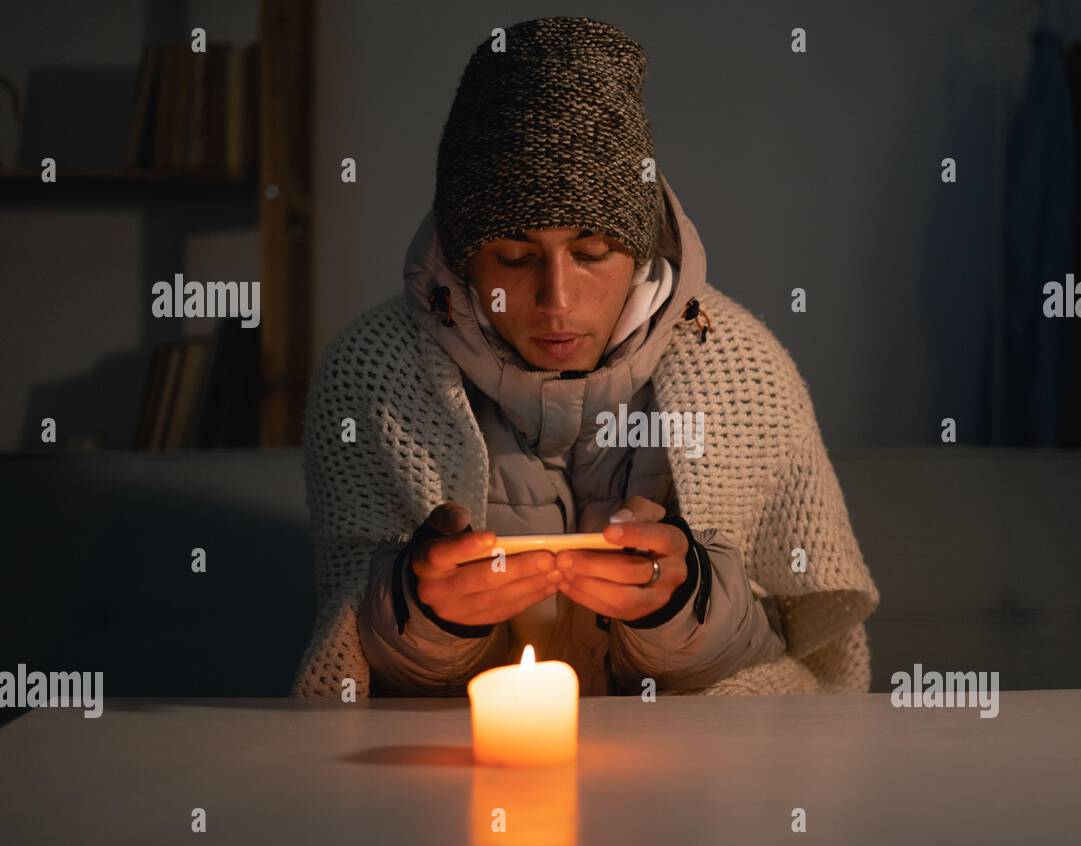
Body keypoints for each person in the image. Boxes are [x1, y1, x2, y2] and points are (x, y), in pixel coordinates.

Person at [291, 15, 880, 699]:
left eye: (593, 251)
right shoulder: (371, 376)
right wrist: (423, 616)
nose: (557, 300)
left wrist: (680, 605)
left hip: (684, 789)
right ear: (460, 257)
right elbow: (350, 666)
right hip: (454, 787)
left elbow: (788, 660)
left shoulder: (743, 369)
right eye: (513, 255)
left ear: (640, 249)